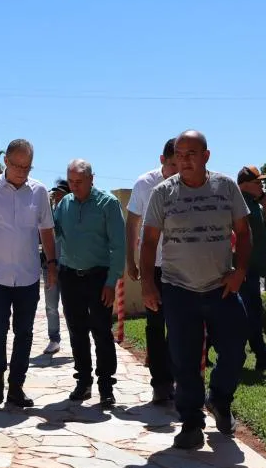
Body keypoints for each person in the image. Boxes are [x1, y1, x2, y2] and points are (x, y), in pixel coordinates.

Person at [140, 130, 252, 449]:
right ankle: (190, 422)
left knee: (234, 350)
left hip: (221, 287)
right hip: (178, 288)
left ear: (206, 156)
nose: (184, 160)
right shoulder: (163, 194)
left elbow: (244, 233)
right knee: (184, 359)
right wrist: (148, 283)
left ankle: (219, 399)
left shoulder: (226, 187)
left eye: (192, 154)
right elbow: (148, 242)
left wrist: (240, 271)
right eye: (179, 154)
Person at [0, 139, 58, 408]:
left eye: (26, 166)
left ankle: (17, 385)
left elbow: (47, 230)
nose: (21, 171)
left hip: (28, 276)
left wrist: (52, 265)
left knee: (25, 332)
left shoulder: (39, 191)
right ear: (5, 161)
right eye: (17, 165)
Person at [55, 160, 126, 409]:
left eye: (79, 182)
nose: (74, 187)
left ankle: (106, 386)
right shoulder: (64, 204)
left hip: (99, 277)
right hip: (70, 276)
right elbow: (55, 231)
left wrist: (111, 282)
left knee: (101, 331)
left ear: (91, 179)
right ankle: (83, 381)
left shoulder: (108, 204)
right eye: (71, 182)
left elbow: (119, 246)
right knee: (76, 330)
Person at [125, 138, 179, 404]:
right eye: (171, 164)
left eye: (180, 164)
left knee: (181, 325)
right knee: (156, 325)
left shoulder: (190, 182)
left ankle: (178, 377)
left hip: (182, 267)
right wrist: (131, 261)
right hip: (154, 266)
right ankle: (161, 382)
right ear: (162, 160)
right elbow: (133, 223)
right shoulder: (145, 184)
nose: (176, 170)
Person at [237, 165, 266, 372]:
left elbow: (265, 228)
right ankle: (260, 356)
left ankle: (261, 355)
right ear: (245, 185)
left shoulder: (253, 203)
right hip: (244, 268)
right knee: (250, 312)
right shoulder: (240, 204)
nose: (262, 185)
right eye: (258, 182)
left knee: (251, 311)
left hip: (253, 267)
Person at [40, 179, 70, 355]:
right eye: (55, 193)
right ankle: (54, 339)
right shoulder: (48, 212)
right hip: (49, 265)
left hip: (68, 266)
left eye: (60, 192)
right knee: (51, 305)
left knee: (70, 306)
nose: (56, 195)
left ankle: (76, 337)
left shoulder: (72, 212)